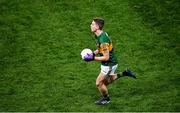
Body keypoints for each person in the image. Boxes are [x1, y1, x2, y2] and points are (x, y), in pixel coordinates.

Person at [84, 17, 136, 105]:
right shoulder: (98, 35)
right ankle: (125, 73)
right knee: (107, 82)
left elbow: (106, 57)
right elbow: (99, 48)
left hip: (109, 63)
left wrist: (93, 58)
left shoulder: (103, 40)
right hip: (110, 63)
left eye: (92, 24)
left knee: (99, 83)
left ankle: (106, 99)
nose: (90, 25)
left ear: (97, 27)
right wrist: (93, 53)